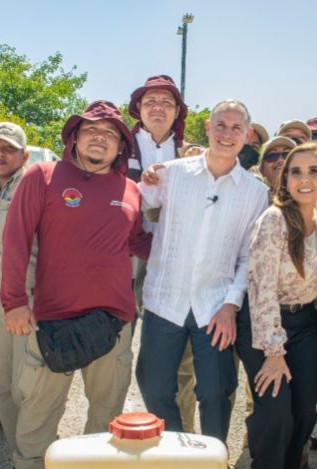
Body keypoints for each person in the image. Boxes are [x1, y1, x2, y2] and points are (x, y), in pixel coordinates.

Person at [0, 100, 151, 469]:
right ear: (75, 138)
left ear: (122, 146)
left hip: (113, 320)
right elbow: (15, 240)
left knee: (106, 409)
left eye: (111, 134)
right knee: (39, 410)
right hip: (51, 319)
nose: (100, 138)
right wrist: (14, 302)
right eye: (91, 130)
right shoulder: (42, 176)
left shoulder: (131, 191)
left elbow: (138, 244)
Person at [136, 99, 270, 469]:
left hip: (214, 305)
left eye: (236, 127)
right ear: (207, 127)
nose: (227, 133)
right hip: (166, 298)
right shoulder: (172, 174)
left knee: (216, 391)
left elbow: (250, 255)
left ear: (247, 136)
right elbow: (141, 215)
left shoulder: (255, 192)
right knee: (155, 386)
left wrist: (232, 304)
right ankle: (182, 463)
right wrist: (146, 184)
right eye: (220, 124)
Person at [235, 143, 317, 469]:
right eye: (295, 171)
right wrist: (274, 351)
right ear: (284, 179)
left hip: (304, 323)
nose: (304, 179)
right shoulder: (273, 220)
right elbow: (259, 288)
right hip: (263, 325)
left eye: (313, 171)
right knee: (275, 409)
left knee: (304, 410)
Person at [125, 75, 200, 433]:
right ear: (138, 108)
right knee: (115, 353)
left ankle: (183, 440)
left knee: (179, 363)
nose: (157, 108)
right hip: (122, 258)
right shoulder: (118, 145)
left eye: (166, 102)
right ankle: (114, 437)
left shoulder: (192, 153)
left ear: (177, 112)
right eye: (150, 100)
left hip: (174, 262)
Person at [0, 122, 33, 469]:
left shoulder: (35, 186)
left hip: (26, 300)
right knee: (0, 385)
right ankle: (21, 457)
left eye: (9, 148)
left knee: (26, 386)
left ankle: (33, 459)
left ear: (24, 155)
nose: (0, 154)